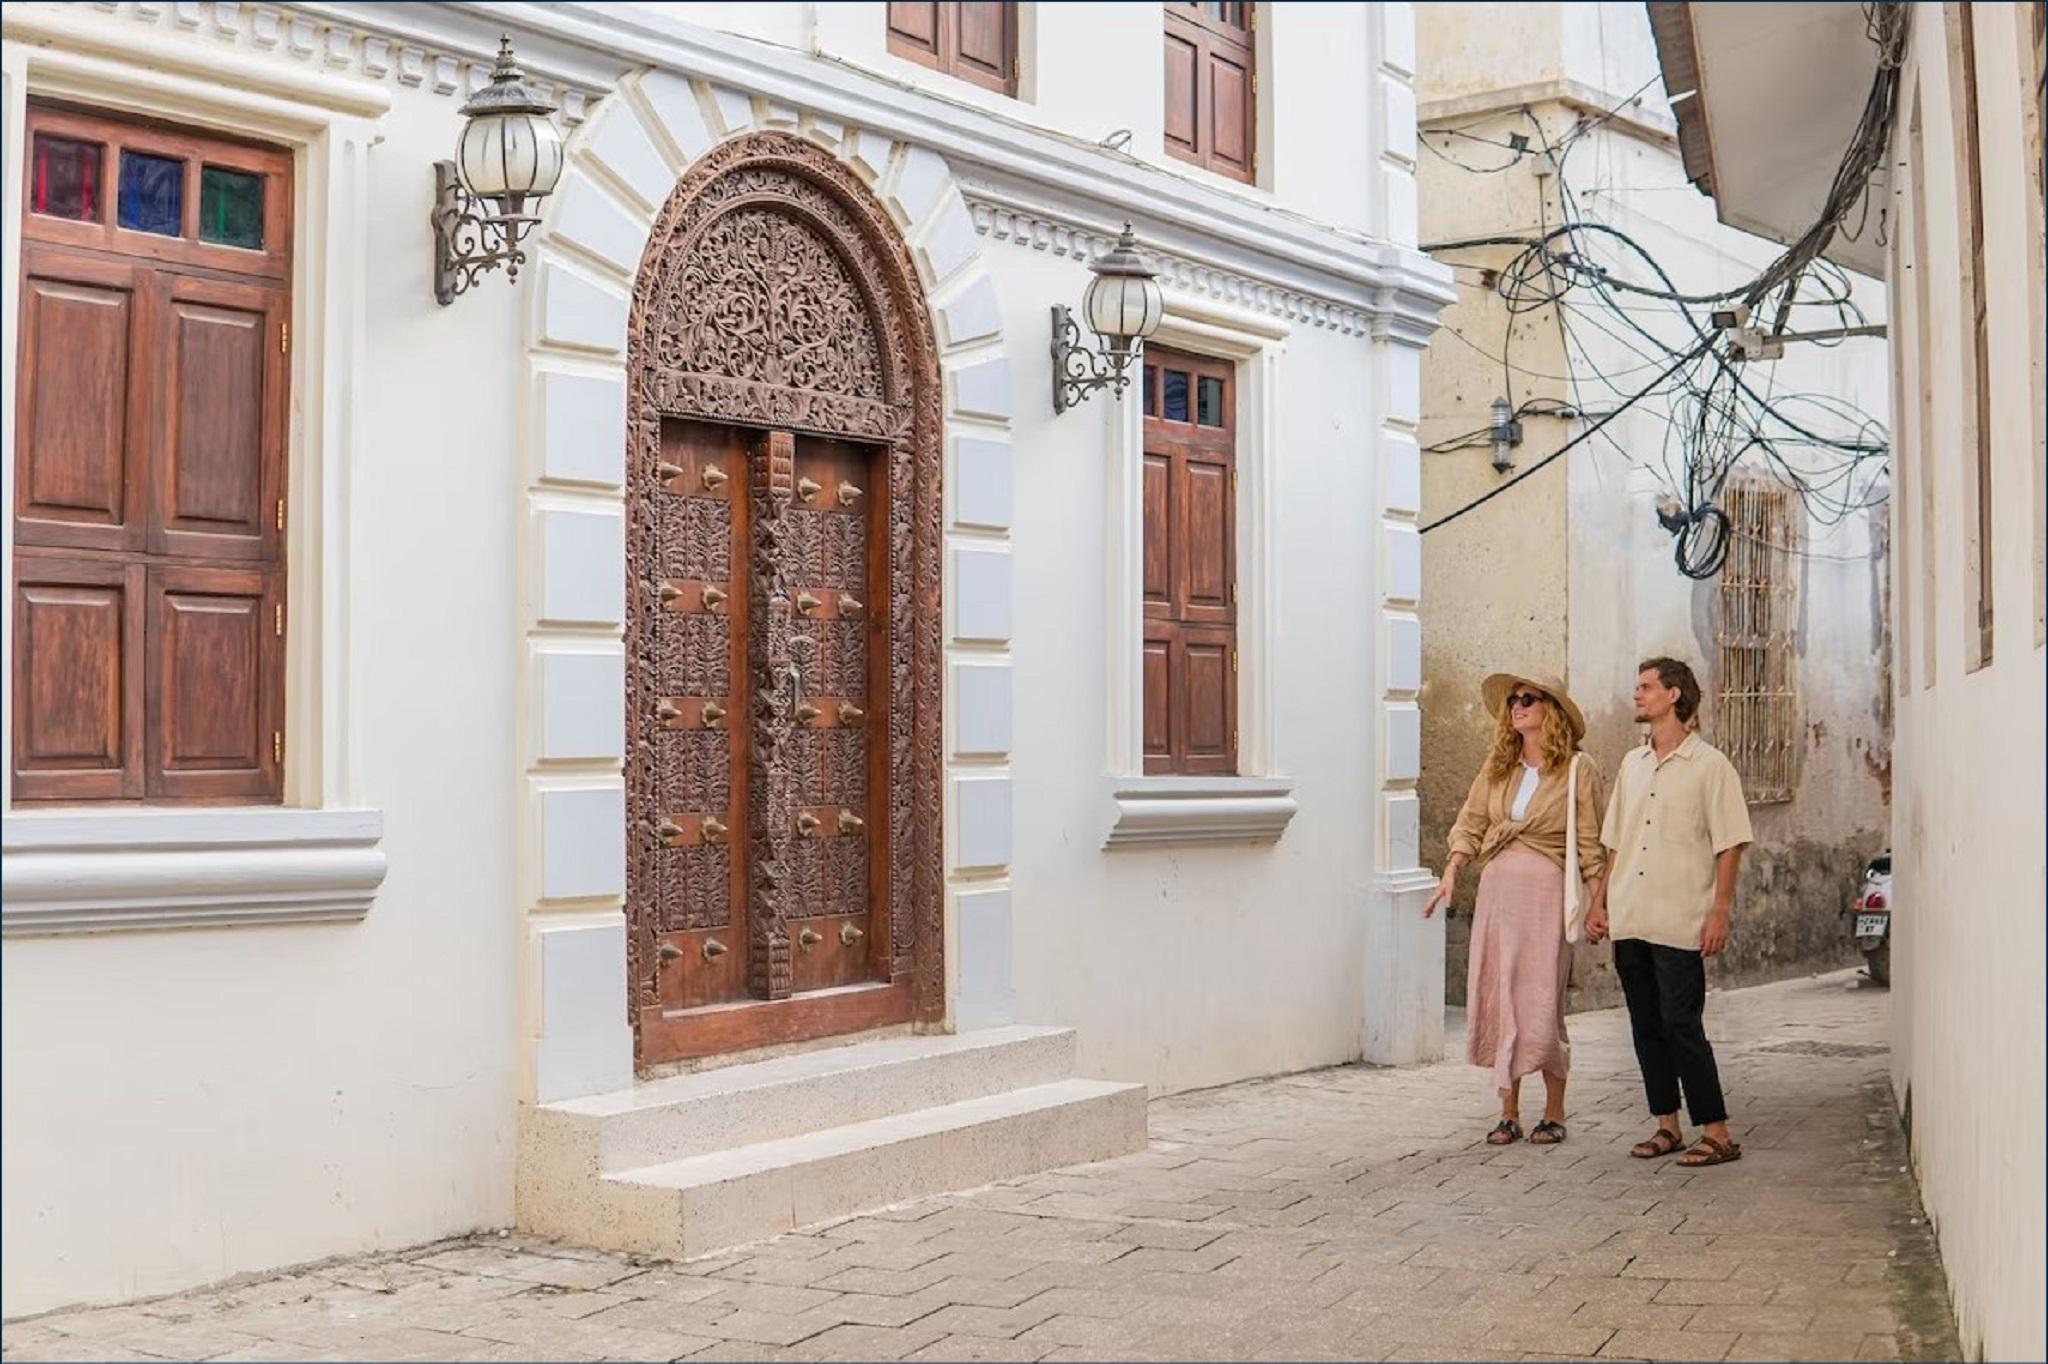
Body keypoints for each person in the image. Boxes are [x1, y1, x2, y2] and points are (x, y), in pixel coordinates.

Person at [1584, 657, 1754, 1168]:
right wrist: (1600, 902)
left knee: (1683, 1024)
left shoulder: (1711, 766)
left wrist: (1719, 911)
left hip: (1680, 917)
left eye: (1646, 687)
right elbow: (1616, 841)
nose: (1637, 695)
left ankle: (1717, 1133)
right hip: (1631, 914)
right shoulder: (1632, 765)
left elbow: (1730, 843)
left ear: (1674, 694)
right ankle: (1667, 1126)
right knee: (1645, 1025)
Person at [1426, 673, 1606, 1146]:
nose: (1517, 707)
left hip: (1545, 898)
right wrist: (1451, 872)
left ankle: (1554, 1111)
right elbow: (1471, 822)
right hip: (1498, 896)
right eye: (1513, 701)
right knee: (1500, 995)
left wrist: (1599, 904)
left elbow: (1590, 844)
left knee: (1542, 1000)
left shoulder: (1577, 768)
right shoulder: (1499, 766)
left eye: (1528, 699)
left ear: (1552, 710)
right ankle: (1508, 1112)